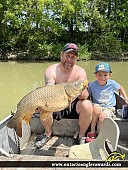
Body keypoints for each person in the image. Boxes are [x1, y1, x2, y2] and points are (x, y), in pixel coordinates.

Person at [35, 43, 92, 148]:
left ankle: (82, 136)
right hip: (56, 102)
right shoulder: (51, 70)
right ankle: (47, 133)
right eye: (67, 56)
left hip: (73, 103)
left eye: (73, 57)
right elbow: (49, 91)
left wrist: (81, 91)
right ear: (61, 55)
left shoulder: (80, 72)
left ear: (76, 59)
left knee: (87, 105)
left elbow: (84, 96)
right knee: (43, 106)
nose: (69, 60)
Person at [87, 62, 128, 142]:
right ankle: (92, 131)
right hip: (96, 105)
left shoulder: (112, 84)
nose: (102, 77)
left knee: (102, 117)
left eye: (105, 75)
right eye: (99, 75)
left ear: (109, 75)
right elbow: (87, 94)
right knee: (96, 110)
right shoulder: (92, 85)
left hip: (109, 107)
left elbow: (120, 88)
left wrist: (126, 98)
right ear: (95, 75)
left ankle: (99, 135)